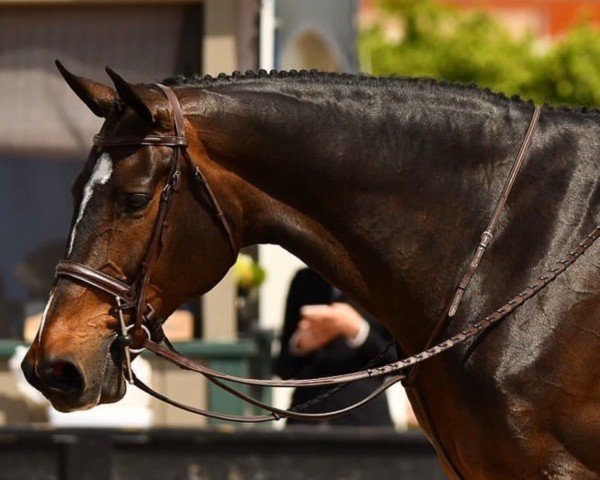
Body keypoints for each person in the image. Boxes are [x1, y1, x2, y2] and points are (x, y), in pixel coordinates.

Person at [275, 268, 397, 427]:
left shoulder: (380, 282)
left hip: (364, 419)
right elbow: (283, 369)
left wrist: (358, 331)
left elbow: (402, 362)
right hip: (306, 418)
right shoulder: (305, 279)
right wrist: (301, 344)